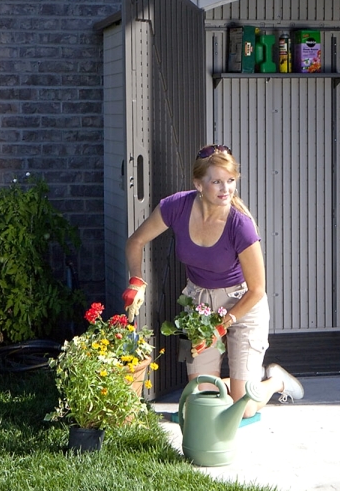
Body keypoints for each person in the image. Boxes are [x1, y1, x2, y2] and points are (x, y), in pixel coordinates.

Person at [123, 144, 304, 418]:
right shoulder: (176, 207)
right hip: (199, 305)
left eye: (230, 181)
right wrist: (136, 280)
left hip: (242, 305)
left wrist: (223, 325)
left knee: (242, 407)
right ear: (198, 183)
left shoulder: (240, 224)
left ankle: (275, 381)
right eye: (217, 181)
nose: (226, 189)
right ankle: (236, 387)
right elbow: (135, 242)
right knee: (203, 399)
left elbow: (257, 290)